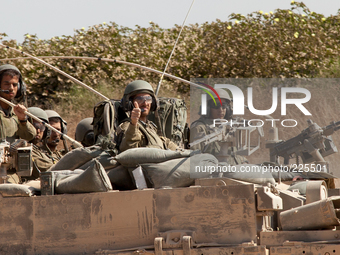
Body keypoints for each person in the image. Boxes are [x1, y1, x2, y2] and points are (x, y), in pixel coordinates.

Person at [117, 80, 179, 152]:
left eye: (148, 99)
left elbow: (163, 142)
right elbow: (128, 150)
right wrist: (133, 123)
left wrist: (183, 151)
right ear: (130, 103)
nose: (145, 103)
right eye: (140, 99)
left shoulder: (149, 126)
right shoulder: (128, 126)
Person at [190, 88, 248, 165]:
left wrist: (243, 161)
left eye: (224, 106)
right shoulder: (199, 127)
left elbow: (235, 152)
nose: (221, 110)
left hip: (235, 170)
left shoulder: (228, 126)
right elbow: (195, 158)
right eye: (216, 106)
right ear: (207, 108)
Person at [0, 64, 36, 143]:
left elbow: (30, 136)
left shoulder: (17, 111)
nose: (11, 88)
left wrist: (23, 120)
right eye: (6, 84)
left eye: (15, 85)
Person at [27, 107, 55, 179]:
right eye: (34, 127)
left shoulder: (39, 149)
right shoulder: (25, 149)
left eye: (41, 127)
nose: (38, 131)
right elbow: (47, 168)